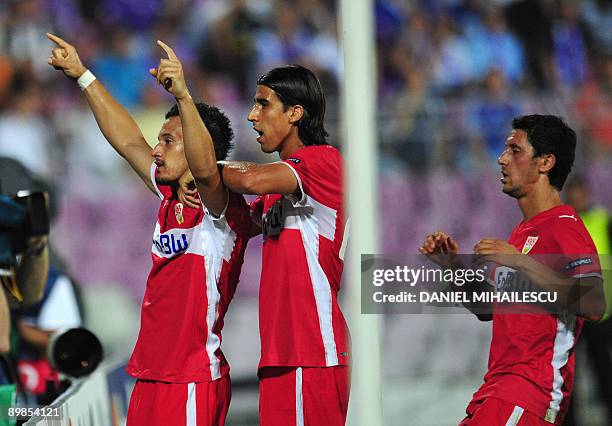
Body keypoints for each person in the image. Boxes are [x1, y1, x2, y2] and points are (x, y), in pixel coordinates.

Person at [47, 33, 252, 426]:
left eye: (169, 140)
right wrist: (82, 75)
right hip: (150, 374)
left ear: (197, 146)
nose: (156, 149)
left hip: (191, 379)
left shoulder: (220, 207)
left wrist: (184, 97)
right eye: (159, 140)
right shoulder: (170, 195)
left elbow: (208, 170)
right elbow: (127, 140)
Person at [159, 50, 350, 424]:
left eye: (264, 104)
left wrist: (200, 167)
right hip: (281, 354)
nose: (251, 115)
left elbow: (247, 178)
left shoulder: (323, 161)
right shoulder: (273, 194)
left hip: (311, 350)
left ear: (296, 113)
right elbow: (236, 215)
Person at [419, 115, 605, 425]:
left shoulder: (564, 227)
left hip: (527, 393)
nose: (502, 159)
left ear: (545, 162)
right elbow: (489, 309)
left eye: (514, 150)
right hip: (498, 391)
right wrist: (451, 266)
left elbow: (595, 303)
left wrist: (519, 260)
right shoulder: (523, 232)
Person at [564, 175, 612, 425]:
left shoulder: (603, 220)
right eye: (574, 192)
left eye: (581, 191)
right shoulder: (563, 225)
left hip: (601, 312)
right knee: (569, 374)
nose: (578, 197)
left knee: (603, 368)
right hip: (571, 313)